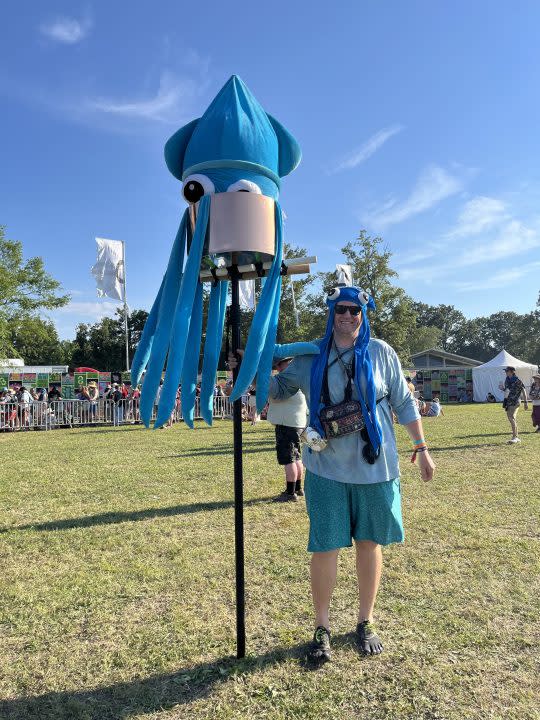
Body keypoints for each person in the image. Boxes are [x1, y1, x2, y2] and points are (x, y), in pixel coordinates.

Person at [228, 285, 434, 662]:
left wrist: (421, 449)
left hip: (376, 468)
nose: (348, 316)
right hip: (325, 469)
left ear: (364, 314)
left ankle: (365, 620)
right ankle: (321, 626)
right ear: (331, 312)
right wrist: (251, 369)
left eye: (355, 310)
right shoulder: (310, 356)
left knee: (369, 544)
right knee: (325, 546)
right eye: (341, 309)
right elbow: (274, 391)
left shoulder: (381, 352)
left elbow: (404, 403)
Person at [266, 357, 308, 502]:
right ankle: (298, 488)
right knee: (296, 457)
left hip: (286, 424)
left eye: (279, 364)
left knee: (288, 459)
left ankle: (290, 493)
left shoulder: (286, 383)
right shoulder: (300, 379)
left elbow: (274, 395)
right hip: (297, 424)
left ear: (288, 364)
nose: (277, 367)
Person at [503, 366, 528, 443]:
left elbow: (524, 391)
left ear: (511, 371)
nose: (505, 372)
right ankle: (515, 436)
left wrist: (525, 402)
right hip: (509, 401)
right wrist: (502, 389)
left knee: (511, 417)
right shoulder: (507, 380)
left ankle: (515, 437)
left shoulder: (517, 381)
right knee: (511, 417)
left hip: (515, 401)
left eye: (506, 371)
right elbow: (508, 390)